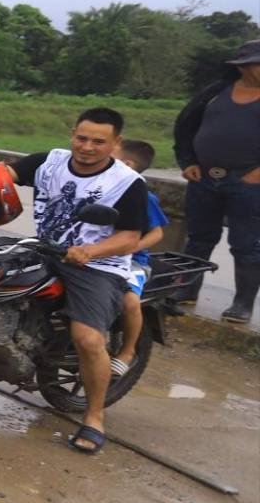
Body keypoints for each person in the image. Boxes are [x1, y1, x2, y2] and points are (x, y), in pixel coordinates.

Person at [0, 108, 150, 455]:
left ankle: (94, 417)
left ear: (115, 143)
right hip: (44, 248)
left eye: (98, 141)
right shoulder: (51, 162)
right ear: (73, 133)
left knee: (87, 338)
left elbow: (131, 237)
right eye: (81, 138)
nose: (87, 147)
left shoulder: (128, 183)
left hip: (98, 265)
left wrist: (90, 250)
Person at [172, 37, 260, 323]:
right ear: (245, 66)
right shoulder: (216, 93)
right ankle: (186, 289)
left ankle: (243, 303)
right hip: (205, 178)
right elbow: (185, 126)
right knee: (199, 237)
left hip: (249, 183)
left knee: (247, 244)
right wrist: (188, 162)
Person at [109, 139, 168, 374]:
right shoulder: (98, 185)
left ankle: (127, 351)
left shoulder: (143, 195)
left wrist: (131, 246)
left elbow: (157, 233)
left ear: (127, 164)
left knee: (130, 300)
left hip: (130, 261)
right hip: (93, 254)